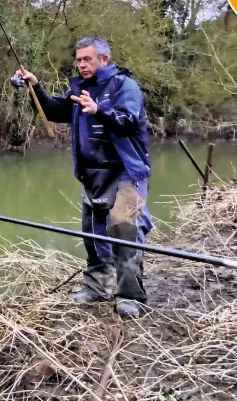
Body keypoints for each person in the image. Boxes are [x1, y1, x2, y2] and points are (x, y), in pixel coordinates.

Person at [16, 37, 152, 318]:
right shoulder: (81, 89)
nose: (81, 64)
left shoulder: (124, 86)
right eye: (78, 60)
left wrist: (99, 110)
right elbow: (54, 110)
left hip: (126, 171)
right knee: (92, 234)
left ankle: (130, 295)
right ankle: (97, 287)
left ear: (103, 59)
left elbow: (128, 121)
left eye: (86, 59)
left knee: (124, 229)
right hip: (92, 174)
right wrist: (35, 87)